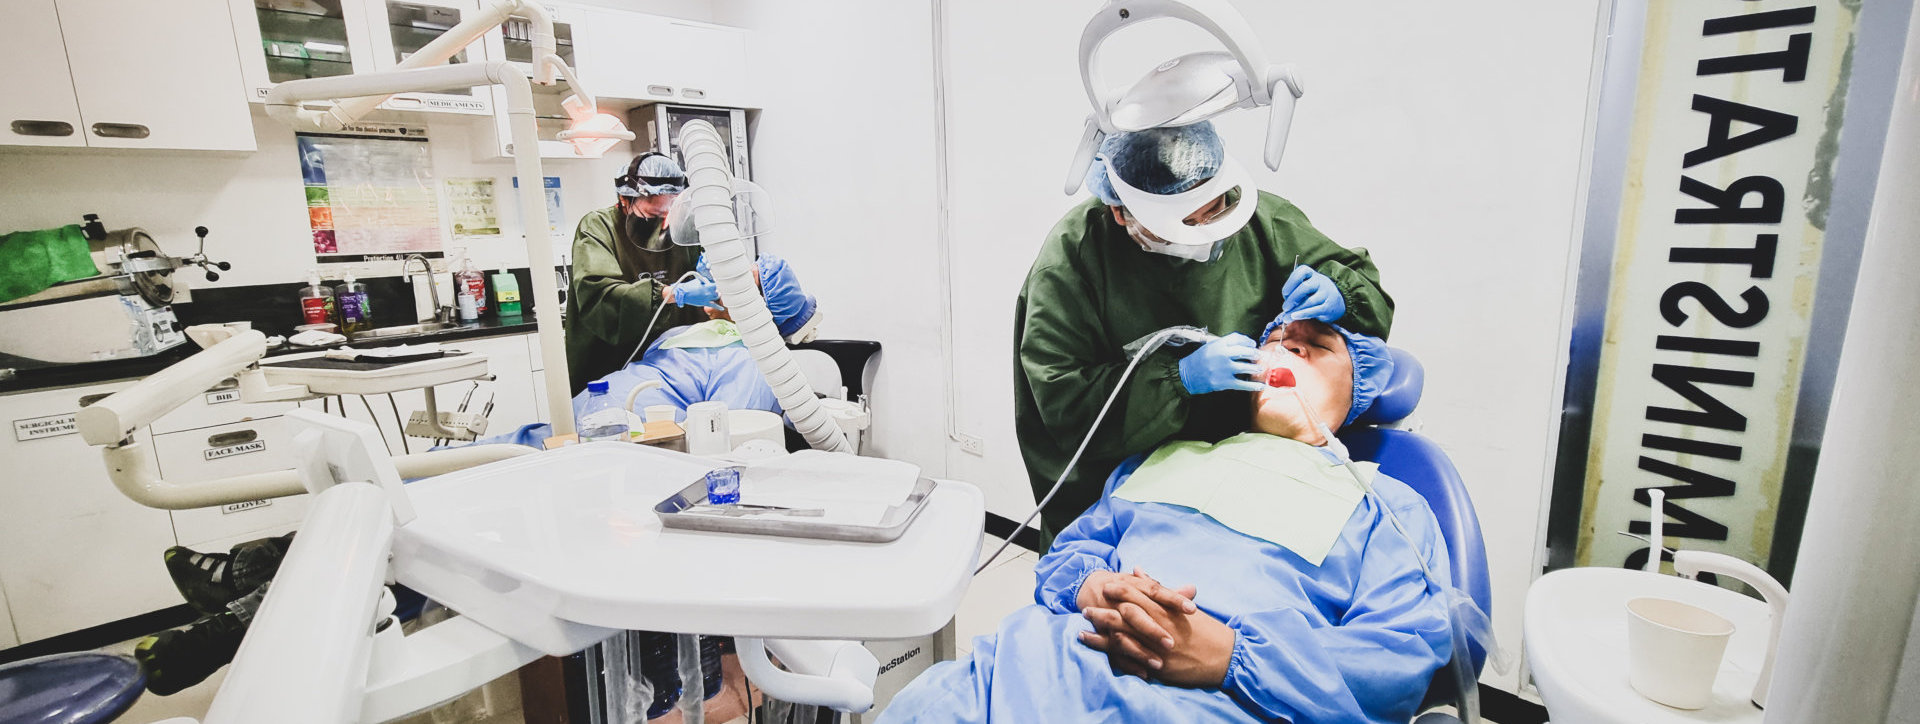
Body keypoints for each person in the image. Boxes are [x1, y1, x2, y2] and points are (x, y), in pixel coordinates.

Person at [882, 319, 1452, 723]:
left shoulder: (1387, 508)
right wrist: (1091, 585)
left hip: (1220, 702)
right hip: (1035, 668)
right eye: (1274, 341)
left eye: (1313, 347)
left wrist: (1231, 657)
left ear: (1361, 389)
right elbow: (1069, 555)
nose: (1285, 348)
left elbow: (1396, 659)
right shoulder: (1166, 456)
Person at [1015, 121, 1396, 539]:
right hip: (1128, 492)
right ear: (1122, 212)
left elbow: (1364, 291)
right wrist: (1177, 381)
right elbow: (1065, 406)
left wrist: (1344, 291)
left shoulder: (1262, 222)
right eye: (1181, 222)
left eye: (1213, 209)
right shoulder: (1072, 263)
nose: (1204, 232)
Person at [566, 151, 723, 394]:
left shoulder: (679, 228)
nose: (663, 225)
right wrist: (669, 294)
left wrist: (711, 270)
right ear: (624, 201)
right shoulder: (598, 228)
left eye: (669, 215)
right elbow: (599, 295)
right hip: (613, 364)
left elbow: (699, 273)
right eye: (652, 215)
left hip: (673, 366)